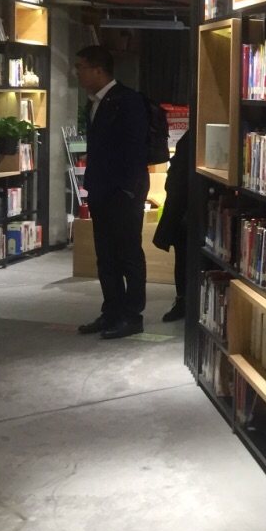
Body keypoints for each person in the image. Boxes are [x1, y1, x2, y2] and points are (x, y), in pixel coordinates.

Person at [74, 45, 150, 339]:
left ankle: (132, 316)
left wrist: (128, 189)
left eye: (81, 67)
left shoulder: (128, 100)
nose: (78, 73)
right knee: (105, 255)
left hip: (123, 192)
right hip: (100, 190)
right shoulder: (94, 102)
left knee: (128, 254)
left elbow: (137, 147)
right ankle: (111, 312)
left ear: (98, 70)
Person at [152, 128, 190, 322]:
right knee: (184, 256)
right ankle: (186, 300)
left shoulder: (190, 139)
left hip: (184, 207)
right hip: (186, 208)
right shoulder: (193, 138)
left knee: (183, 257)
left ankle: (184, 301)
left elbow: (176, 174)